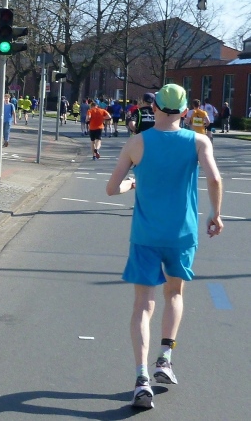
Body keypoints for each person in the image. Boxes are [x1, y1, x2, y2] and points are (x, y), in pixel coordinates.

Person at [106, 83, 223, 409]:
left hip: (146, 235)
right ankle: (165, 358)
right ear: (185, 112)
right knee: (174, 294)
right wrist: (215, 214)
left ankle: (141, 377)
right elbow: (214, 178)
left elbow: (111, 188)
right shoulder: (198, 141)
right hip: (181, 234)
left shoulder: (136, 142)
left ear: (154, 108)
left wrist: (131, 183)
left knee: (143, 306)